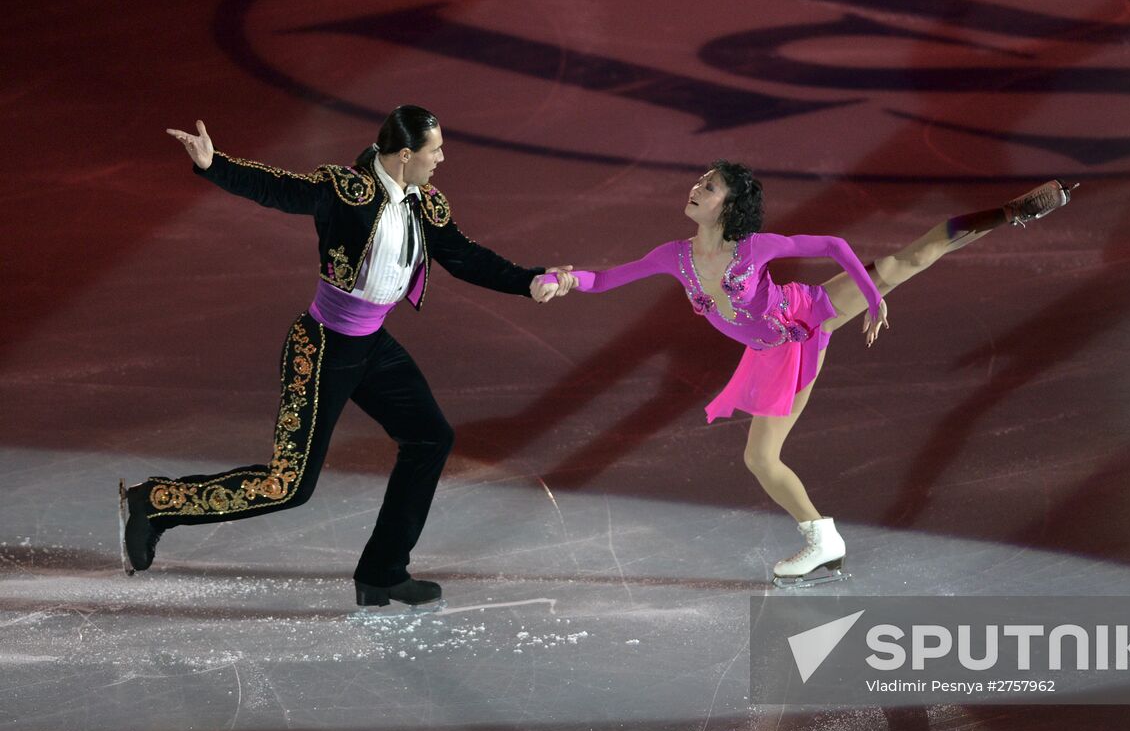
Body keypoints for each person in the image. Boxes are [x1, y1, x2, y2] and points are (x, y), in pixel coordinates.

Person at [121, 105, 576, 607]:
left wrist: (528, 280)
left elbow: (466, 256)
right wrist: (214, 164)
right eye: (435, 150)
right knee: (288, 485)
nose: (442, 158)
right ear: (405, 155)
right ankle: (157, 502)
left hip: (373, 347)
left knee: (430, 438)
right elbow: (282, 189)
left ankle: (382, 572)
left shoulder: (426, 203)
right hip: (322, 347)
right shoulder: (346, 191)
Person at [541, 162, 1072, 586]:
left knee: (898, 266)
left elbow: (835, 247)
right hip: (769, 350)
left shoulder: (755, 247)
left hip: (801, 317)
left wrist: (872, 302)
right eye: (700, 181)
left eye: (710, 185)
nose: (697, 187)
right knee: (760, 458)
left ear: (731, 206)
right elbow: (605, 279)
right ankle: (825, 540)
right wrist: (567, 279)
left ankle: (1008, 214)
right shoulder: (673, 257)